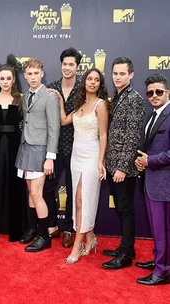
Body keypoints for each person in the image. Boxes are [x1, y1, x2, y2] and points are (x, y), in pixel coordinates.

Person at [56, 68, 108, 263]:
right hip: (76, 157)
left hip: (91, 156)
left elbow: (103, 135)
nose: (92, 82)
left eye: (96, 80)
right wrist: (61, 102)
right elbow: (63, 121)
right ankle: (91, 237)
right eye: (89, 79)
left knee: (81, 199)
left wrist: (101, 161)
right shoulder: (81, 105)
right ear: (84, 82)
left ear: (100, 84)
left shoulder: (100, 105)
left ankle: (78, 244)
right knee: (78, 200)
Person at [102, 57, 145, 270]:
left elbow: (133, 136)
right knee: (120, 207)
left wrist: (121, 167)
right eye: (115, 73)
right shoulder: (117, 97)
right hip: (112, 164)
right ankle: (126, 246)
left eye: (122, 73)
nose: (118, 77)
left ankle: (127, 254)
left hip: (123, 168)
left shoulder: (134, 99)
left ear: (131, 75)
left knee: (126, 209)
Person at [15, 58, 60, 252]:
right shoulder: (25, 97)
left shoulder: (49, 96)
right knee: (30, 193)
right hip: (25, 147)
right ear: (25, 76)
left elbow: (54, 128)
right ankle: (33, 229)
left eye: (36, 73)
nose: (32, 77)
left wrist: (50, 156)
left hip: (41, 150)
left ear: (42, 74)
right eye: (29, 74)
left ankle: (44, 236)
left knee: (37, 193)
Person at [44, 47, 81, 248]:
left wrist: (59, 102)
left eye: (71, 65)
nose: (67, 68)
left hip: (77, 147)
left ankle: (68, 229)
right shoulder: (51, 87)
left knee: (73, 189)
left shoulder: (84, 89)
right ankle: (52, 225)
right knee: (48, 187)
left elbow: (67, 120)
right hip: (54, 147)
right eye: (64, 64)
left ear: (77, 67)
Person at [0, 64, 28, 242]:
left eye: (8, 78)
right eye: (2, 78)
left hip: (15, 143)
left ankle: (15, 227)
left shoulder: (20, 99)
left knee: (14, 183)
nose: (5, 82)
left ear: (13, 80)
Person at [135, 73, 170, 285]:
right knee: (158, 228)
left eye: (159, 92)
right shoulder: (152, 115)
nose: (154, 96)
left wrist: (150, 161)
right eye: (150, 92)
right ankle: (161, 260)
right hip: (151, 182)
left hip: (165, 183)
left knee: (163, 229)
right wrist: (141, 162)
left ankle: (162, 270)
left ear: (167, 92)